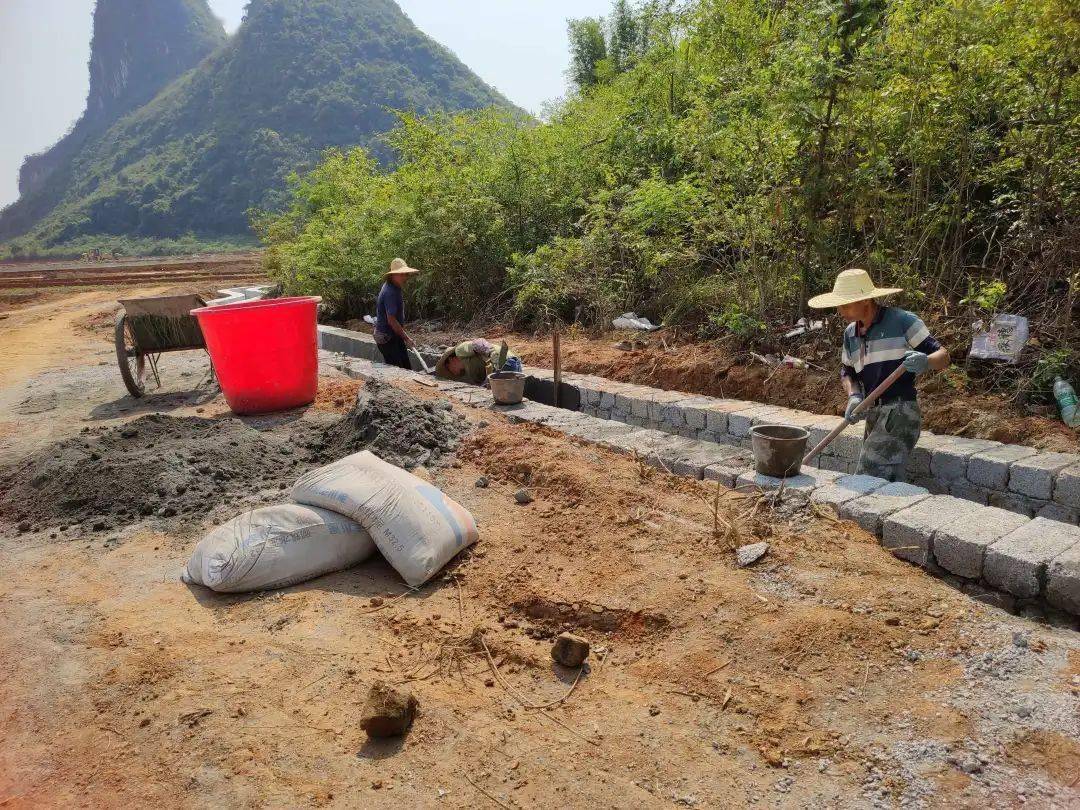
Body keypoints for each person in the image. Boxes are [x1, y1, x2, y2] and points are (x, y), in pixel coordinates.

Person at [808, 268, 950, 482]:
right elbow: (847, 372)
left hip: (900, 413)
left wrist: (926, 361)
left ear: (866, 300)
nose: (840, 309)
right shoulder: (850, 334)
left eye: (846, 304)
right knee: (881, 480)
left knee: (869, 476)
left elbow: (943, 356)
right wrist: (854, 396)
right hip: (873, 411)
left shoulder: (902, 321)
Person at [373, 258, 419, 369]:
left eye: (406, 274)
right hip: (386, 337)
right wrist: (407, 338)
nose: (405, 277)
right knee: (398, 371)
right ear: (393, 275)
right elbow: (392, 320)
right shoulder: (390, 292)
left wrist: (403, 337)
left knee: (406, 368)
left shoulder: (394, 287)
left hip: (392, 334)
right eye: (401, 274)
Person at [434, 339, 520, 385]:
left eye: (450, 369)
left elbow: (478, 343)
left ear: (451, 360)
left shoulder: (459, 351)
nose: (453, 373)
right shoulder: (469, 368)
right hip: (514, 364)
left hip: (504, 361)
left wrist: (491, 353)